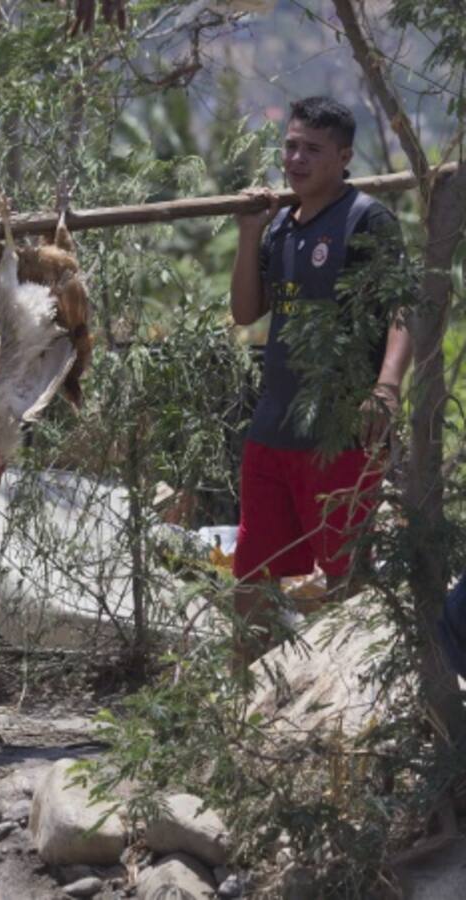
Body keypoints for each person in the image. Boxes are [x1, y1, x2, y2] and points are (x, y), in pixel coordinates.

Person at [229, 96, 411, 665]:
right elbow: (245, 312)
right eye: (290, 145)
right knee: (252, 577)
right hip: (273, 426)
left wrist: (386, 387)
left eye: (312, 148)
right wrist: (249, 233)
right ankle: (249, 698)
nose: (296, 158)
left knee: (346, 575)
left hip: (340, 432)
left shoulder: (366, 220)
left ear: (344, 156)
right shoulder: (281, 224)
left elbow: (405, 308)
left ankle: (345, 698)